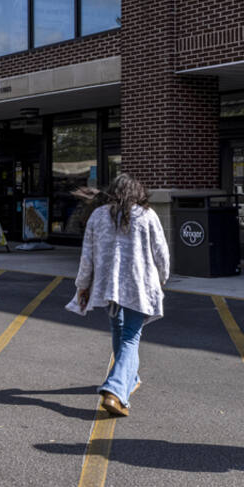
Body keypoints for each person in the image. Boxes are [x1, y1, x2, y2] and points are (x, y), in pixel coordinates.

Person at [67, 172, 171, 417]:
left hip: (108, 285)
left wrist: (83, 285)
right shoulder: (147, 216)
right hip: (139, 285)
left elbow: (87, 256)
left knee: (119, 331)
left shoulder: (98, 216)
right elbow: (161, 251)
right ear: (138, 192)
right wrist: (163, 276)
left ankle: (129, 379)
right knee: (131, 337)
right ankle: (115, 390)